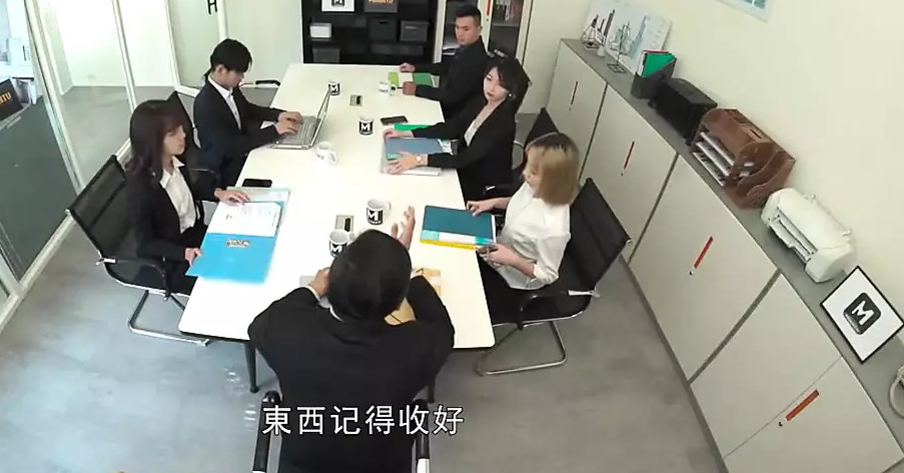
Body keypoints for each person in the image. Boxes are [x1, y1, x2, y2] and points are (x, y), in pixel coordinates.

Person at [248, 208, 453, 473]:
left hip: (303, 462)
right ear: (396, 304)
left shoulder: (287, 331)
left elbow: (260, 325)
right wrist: (401, 273)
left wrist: (312, 289)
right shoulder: (414, 349)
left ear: (332, 279)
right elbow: (442, 328)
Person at [125, 100, 250, 288]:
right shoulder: (141, 188)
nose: (183, 135)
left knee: (246, 247)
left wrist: (218, 193)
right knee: (235, 279)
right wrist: (184, 252)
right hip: (174, 256)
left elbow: (187, 189)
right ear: (153, 141)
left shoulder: (174, 161)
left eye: (180, 128)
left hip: (196, 235)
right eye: (173, 133)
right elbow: (145, 244)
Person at [466, 131, 579, 321]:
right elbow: (519, 203)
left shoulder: (553, 229)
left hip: (511, 277)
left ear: (553, 179)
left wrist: (513, 260)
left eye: (533, 172)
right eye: (527, 165)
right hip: (496, 250)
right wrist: (492, 203)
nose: (525, 173)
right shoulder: (534, 185)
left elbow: (548, 275)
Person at [384, 57, 527, 200]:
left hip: (481, 186)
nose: (491, 88)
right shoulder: (480, 101)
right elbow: (451, 128)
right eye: (489, 79)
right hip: (465, 170)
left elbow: (464, 159)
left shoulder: (503, 123)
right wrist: (407, 132)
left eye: (500, 84)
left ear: (509, 90)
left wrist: (419, 159)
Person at [194, 39, 303, 186]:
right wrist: (275, 130)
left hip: (242, 146)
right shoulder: (205, 106)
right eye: (238, 73)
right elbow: (231, 147)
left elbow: (247, 109)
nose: (242, 78)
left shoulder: (228, 86)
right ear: (220, 70)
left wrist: (278, 115)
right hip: (226, 167)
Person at [398, 4, 489, 116]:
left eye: (466, 29)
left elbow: (452, 95)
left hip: (455, 115)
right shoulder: (468, 48)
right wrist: (415, 68)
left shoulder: (477, 59)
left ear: (478, 30)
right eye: (457, 27)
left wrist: (417, 90)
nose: (460, 34)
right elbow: (446, 66)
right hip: (449, 106)